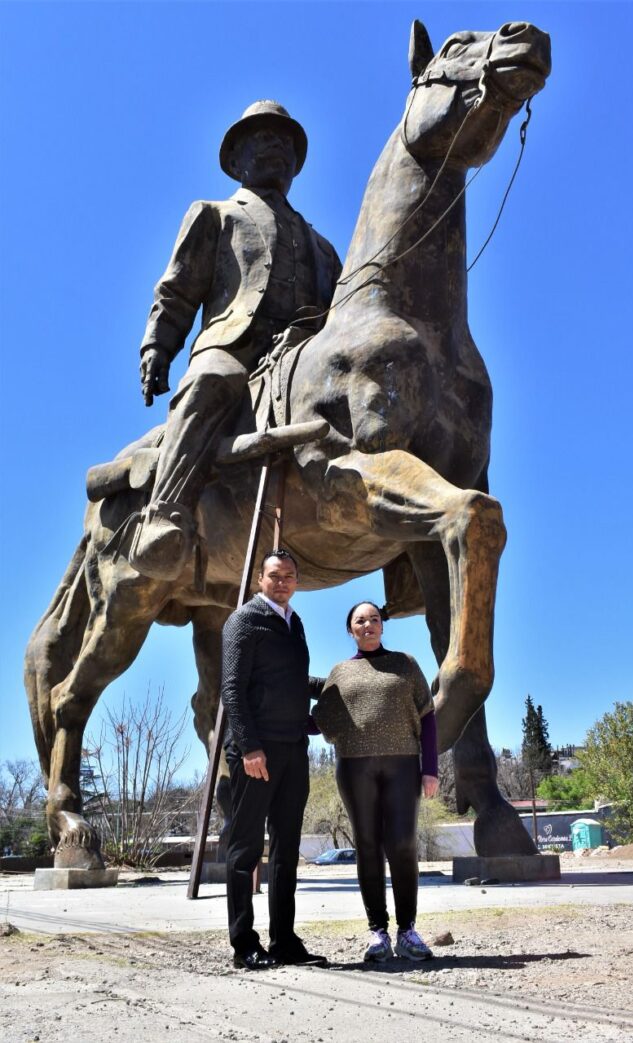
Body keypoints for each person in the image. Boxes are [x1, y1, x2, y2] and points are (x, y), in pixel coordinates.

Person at [130, 101, 342, 581]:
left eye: (284, 142)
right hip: (234, 347)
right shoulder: (215, 214)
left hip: (302, 352)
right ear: (237, 158)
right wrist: (157, 346)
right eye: (263, 138)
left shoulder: (323, 247)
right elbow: (177, 290)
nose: (276, 147)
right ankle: (165, 514)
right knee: (211, 381)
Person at [312, 601, 439, 963]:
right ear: (350, 630)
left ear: (382, 626)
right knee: (368, 845)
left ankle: (407, 930)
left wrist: (430, 768)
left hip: (403, 765)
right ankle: (378, 932)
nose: (368, 624)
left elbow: (428, 717)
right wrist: (274, 716)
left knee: (402, 843)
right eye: (360, 621)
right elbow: (320, 722)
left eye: (374, 619)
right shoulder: (340, 673)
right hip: (355, 769)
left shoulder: (405, 664)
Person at [220, 548, 326, 970]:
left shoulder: (293, 623)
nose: (282, 582)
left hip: (293, 749)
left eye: (289, 576)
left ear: (297, 581)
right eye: (274, 576)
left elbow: (294, 680)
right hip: (256, 753)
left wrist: (340, 683)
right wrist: (249, 746)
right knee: (245, 849)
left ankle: (285, 941)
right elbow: (232, 687)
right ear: (260, 580)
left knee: (286, 849)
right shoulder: (244, 620)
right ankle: (244, 945)